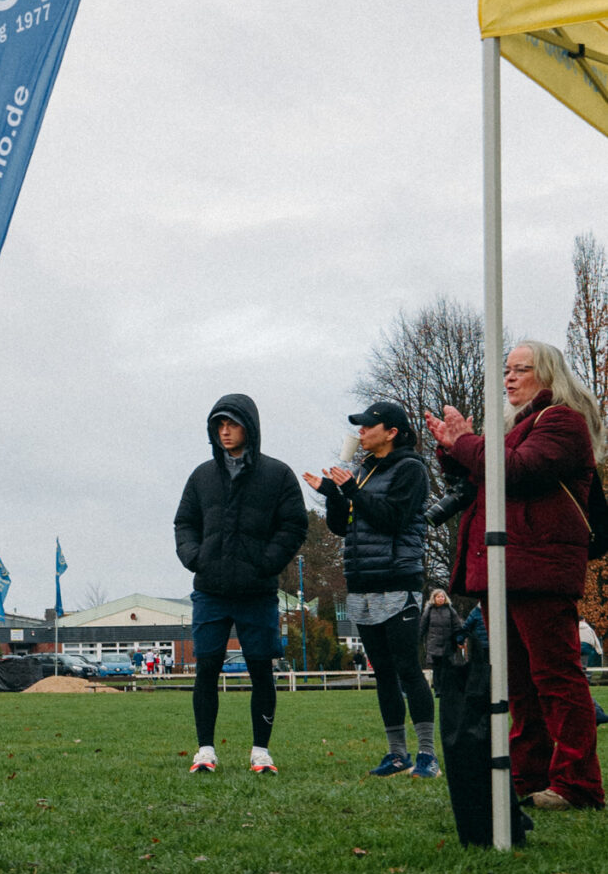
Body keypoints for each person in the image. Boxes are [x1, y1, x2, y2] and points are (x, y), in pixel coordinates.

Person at [425, 339, 605, 812]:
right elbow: (483, 477)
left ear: (548, 374)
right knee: (517, 682)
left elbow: (517, 470)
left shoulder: (562, 421)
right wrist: (452, 448)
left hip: (539, 566)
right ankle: (529, 774)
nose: (509, 377)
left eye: (521, 369)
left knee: (556, 678)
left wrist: (465, 441)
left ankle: (578, 784)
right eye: (507, 369)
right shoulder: (516, 426)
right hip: (505, 566)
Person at [172, 394, 307, 776]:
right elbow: (184, 522)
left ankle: (261, 752)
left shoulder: (278, 474)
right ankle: (205, 751)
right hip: (210, 591)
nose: (225, 431)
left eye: (232, 423)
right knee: (206, 669)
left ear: (250, 427)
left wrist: (266, 563)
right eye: (219, 424)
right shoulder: (201, 476)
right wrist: (195, 557)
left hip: (257, 592)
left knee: (261, 669)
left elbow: (294, 525)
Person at [304, 398, 437, 777]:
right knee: (383, 674)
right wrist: (334, 494)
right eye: (359, 426)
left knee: (408, 669)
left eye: (367, 426)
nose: (360, 432)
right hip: (361, 584)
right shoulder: (363, 470)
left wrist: (352, 491)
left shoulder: (411, 469)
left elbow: (393, 518)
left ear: (391, 432)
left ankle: (427, 755)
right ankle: (397, 755)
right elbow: (342, 527)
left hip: (397, 581)